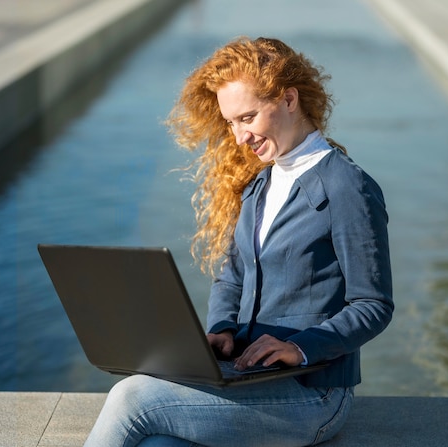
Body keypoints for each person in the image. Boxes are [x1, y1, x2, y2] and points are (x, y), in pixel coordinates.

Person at [84, 36, 393, 447]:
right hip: (248, 376)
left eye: (247, 117)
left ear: (288, 99)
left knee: (132, 396)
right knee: (159, 444)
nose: (239, 137)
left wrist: (299, 347)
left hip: (314, 394)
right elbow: (232, 276)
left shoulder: (347, 187)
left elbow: (373, 305)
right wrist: (222, 329)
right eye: (231, 122)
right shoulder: (261, 184)